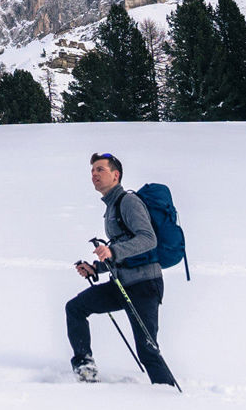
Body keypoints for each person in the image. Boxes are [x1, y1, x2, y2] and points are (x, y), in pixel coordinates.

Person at [66, 153, 176, 386]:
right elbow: (122, 250)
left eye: (100, 170)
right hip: (123, 284)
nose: (94, 174)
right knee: (75, 308)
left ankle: (168, 396)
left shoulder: (129, 202)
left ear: (115, 175)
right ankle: (85, 366)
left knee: (147, 350)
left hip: (145, 285)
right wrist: (96, 268)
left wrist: (113, 252)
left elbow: (148, 240)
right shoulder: (112, 206)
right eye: (93, 170)